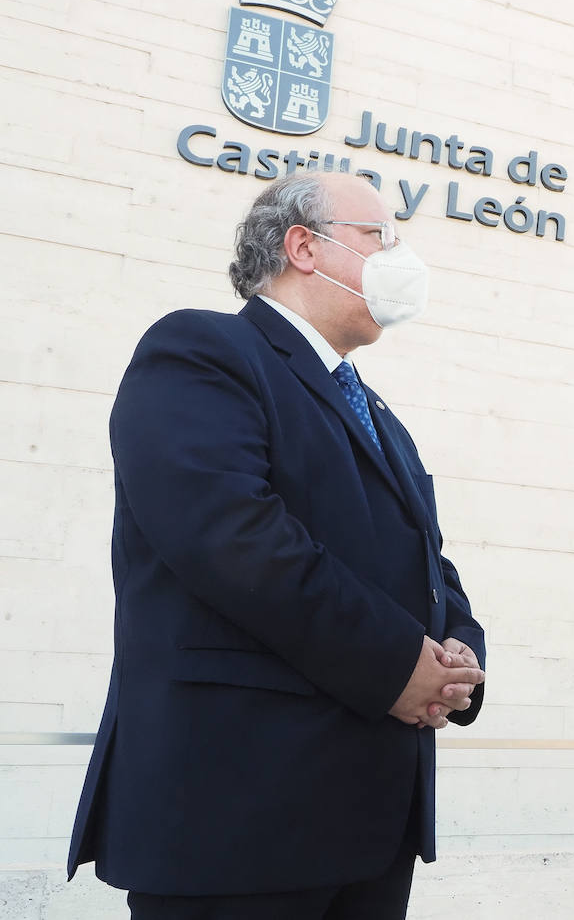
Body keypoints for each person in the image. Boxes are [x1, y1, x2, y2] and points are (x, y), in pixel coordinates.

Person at [67, 172, 487, 919]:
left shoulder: (377, 413)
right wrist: (398, 662)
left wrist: (456, 647)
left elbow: (426, 559)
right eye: (379, 238)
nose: (399, 257)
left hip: (367, 822)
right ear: (302, 246)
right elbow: (234, 537)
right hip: (237, 819)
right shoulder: (202, 350)